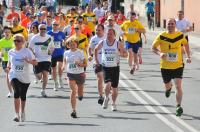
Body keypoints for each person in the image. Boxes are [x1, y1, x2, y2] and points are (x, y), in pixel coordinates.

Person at [151, 18, 191, 116]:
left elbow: (186, 45)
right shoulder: (161, 36)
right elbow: (153, 48)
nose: (170, 25)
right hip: (165, 66)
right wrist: (159, 53)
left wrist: (188, 56)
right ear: (166, 25)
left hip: (178, 65)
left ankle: (178, 106)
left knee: (178, 86)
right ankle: (168, 89)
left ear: (175, 25)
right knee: (168, 85)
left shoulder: (180, 35)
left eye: (172, 24)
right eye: (169, 24)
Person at [6, 34, 37, 122]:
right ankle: (16, 114)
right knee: (16, 93)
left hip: (25, 77)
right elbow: (9, 63)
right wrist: (8, 68)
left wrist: (29, 61)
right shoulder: (11, 52)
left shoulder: (27, 51)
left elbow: (36, 63)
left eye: (18, 41)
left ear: (23, 42)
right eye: (14, 41)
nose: (16, 42)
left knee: (23, 96)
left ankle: (22, 111)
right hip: (13, 75)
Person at [94, 28, 127, 111]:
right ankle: (106, 97)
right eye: (108, 34)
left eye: (111, 34)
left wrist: (122, 54)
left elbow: (125, 54)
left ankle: (113, 103)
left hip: (115, 67)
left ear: (114, 35)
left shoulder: (118, 44)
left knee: (115, 89)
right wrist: (97, 61)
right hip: (105, 67)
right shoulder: (103, 42)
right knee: (107, 84)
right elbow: (95, 49)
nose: (109, 35)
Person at [62, 37, 87, 118]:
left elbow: (85, 64)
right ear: (68, 45)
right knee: (73, 91)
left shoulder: (80, 52)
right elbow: (64, 61)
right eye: (70, 44)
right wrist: (63, 67)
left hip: (80, 74)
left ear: (77, 44)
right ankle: (73, 110)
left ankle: (80, 95)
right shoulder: (66, 53)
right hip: (70, 74)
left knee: (80, 91)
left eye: (74, 44)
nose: (72, 45)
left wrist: (80, 64)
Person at [29, 24, 54, 97]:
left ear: (46, 30)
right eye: (41, 29)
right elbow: (30, 48)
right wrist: (33, 55)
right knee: (39, 76)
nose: (42, 30)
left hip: (47, 58)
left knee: (45, 74)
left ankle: (43, 90)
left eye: (44, 29)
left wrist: (50, 51)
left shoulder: (49, 37)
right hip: (37, 59)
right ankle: (38, 77)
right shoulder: (34, 37)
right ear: (38, 29)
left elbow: (52, 47)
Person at [88, 24, 105, 105]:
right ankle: (101, 96)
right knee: (100, 77)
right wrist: (90, 55)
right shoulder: (93, 38)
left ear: (103, 30)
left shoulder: (106, 38)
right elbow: (90, 48)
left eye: (99, 30)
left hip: (107, 63)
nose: (97, 31)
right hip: (97, 62)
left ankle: (107, 91)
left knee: (107, 81)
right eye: (96, 30)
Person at [47, 21, 66, 90]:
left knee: (59, 66)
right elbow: (46, 43)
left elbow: (64, 43)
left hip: (59, 53)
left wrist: (64, 44)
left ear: (58, 26)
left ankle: (60, 78)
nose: (55, 26)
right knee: (53, 69)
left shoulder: (61, 33)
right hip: (52, 54)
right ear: (51, 25)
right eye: (53, 24)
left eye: (56, 25)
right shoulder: (49, 33)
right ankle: (55, 83)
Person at [0, 26, 14, 97]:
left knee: (13, 75)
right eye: (5, 32)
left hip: (14, 60)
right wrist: (1, 54)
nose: (7, 33)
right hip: (5, 60)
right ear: (3, 33)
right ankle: (10, 91)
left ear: (11, 33)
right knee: (8, 74)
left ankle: (15, 89)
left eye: (8, 32)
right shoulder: (1, 41)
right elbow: (0, 52)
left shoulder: (14, 40)